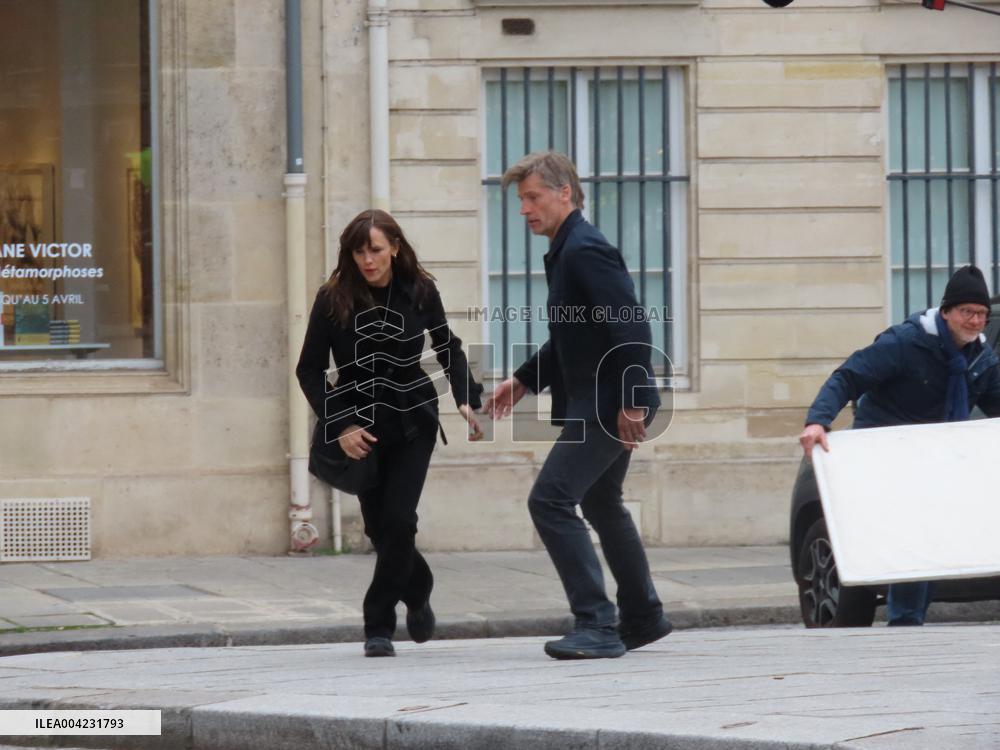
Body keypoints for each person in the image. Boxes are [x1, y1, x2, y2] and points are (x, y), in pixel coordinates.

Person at [484, 151, 671, 660]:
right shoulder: (568, 249)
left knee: (550, 501)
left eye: (532, 197)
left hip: (609, 406)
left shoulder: (584, 249)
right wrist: (523, 381)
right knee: (601, 502)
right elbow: (573, 337)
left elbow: (631, 325)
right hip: (602, 401)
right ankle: (643, 615)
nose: (524, 209)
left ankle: (597, 623)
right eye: (521, 199)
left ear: (564, 192)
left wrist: (633, 401)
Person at [296, 209, 484, 657]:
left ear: (395, 248)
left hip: (413, 420)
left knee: (400, 519)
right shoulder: (332, 299)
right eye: (359, 251)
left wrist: (466, 397)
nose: (368, 260)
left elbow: (447, 346)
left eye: (376, 250)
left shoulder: (420, 290)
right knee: (380, 529)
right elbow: (309, 370)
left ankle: (377, 625)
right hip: (359, 424)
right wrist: (342, 424)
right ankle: (418, 589)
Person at [800, 265, 1000, 626]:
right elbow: (849, 376)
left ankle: (908, 621)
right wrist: (818, 420)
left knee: (931, 539)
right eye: (967, 312)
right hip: (887, 454)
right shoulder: (905, 343)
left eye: (982, 314)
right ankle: (904, 623)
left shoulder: (981, 360)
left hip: (941, 459)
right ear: (946, 312)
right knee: (910, 535)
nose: (975, 321)